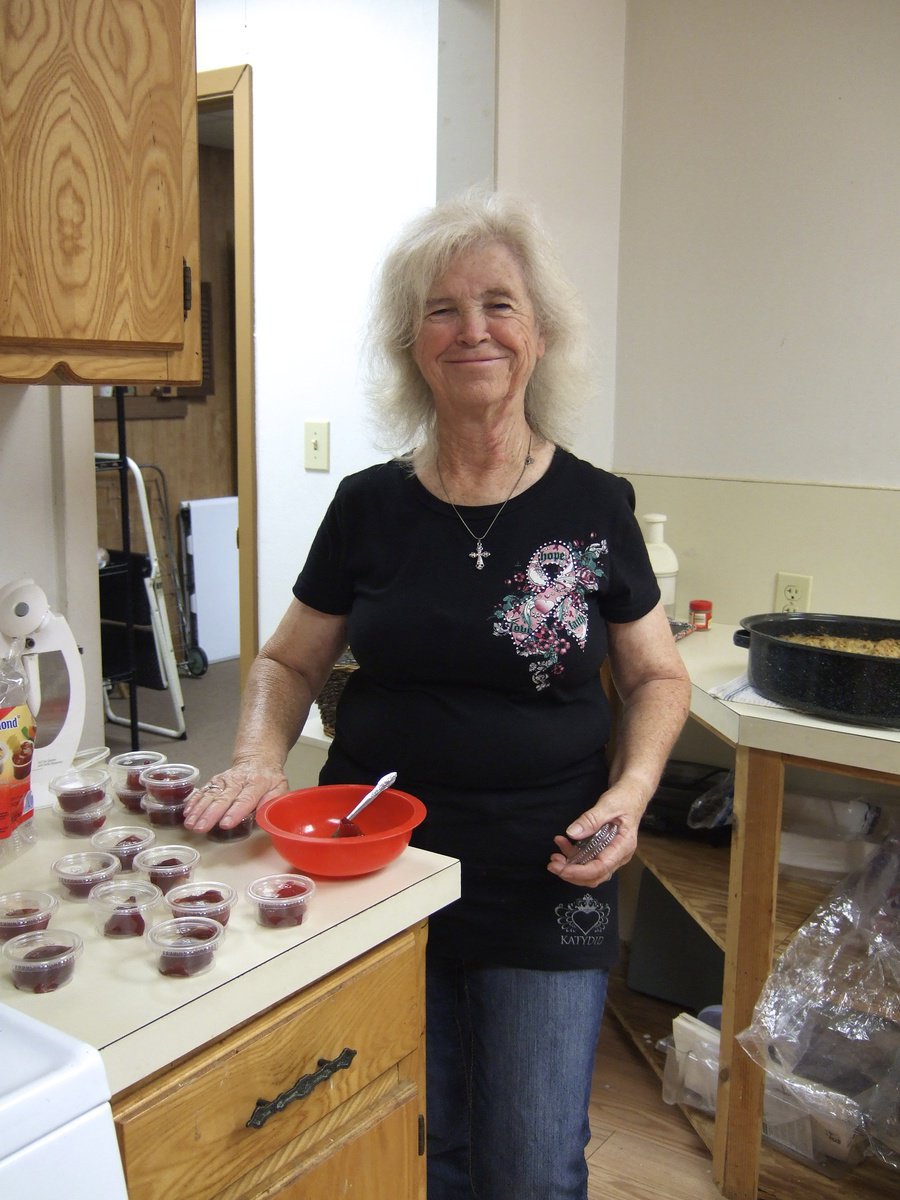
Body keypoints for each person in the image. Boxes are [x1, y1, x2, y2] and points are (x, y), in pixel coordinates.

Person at [184, 190, 691, 1200]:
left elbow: (656, 675)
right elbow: (287, 660)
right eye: (442, 310)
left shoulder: (595, 506)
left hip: (548, 874)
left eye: (498, 305)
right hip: (375, 871)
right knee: (423, 1144)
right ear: (412, 346)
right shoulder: (370, 507)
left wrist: (631, 795)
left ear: (539, 335)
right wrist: (255, 757)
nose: (472, 331)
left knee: (534, 1165)